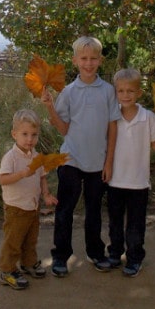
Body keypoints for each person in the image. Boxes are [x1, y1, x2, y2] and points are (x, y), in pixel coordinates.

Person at [41, 36, 121, 277]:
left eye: (93, 58)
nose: (88, 63)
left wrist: (108, 162)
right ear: (75, 60)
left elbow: (112, 128)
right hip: (71, 159)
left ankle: (96, 252)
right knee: (65, 210)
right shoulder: (68, 92)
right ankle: (61, 256)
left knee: (94, 210)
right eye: (83, 58)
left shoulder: (108, 91)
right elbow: (64, 128)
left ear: (100, 60)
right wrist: (50, 107)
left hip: (98, 162)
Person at [106, 68, 155, 277]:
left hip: (138, 183)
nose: (125, 95)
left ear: (139, 93)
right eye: (120, 91)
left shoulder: (148, 118)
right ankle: (114, 253)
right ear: (115, 92)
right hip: (114, 181)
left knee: (136, 226)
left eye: (130, 91)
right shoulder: (111, 117)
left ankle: (135, 258)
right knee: (115, 223)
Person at [0, 109, 58, 290]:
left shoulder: (37, 156)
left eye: (34, 135)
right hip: (15, 208)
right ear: (14, 134)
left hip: (32, 207)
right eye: (24, 134)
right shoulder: (11, 157)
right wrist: (22, 173)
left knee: (30, 239)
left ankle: (28, 263)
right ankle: (7, 270)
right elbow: (3, 179)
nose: (29, 139)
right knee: (14, 240)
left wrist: (46, 194)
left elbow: (42, 177)